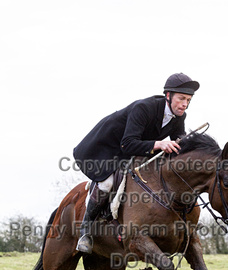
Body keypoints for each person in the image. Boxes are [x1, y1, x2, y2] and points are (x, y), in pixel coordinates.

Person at [73, 72, 200, 253]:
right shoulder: (144, 108)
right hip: (104, 148)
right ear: (168, 95)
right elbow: (128, 143)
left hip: (132, 151)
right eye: (181, 98)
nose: (184, 104)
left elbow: (179, 144)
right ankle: (85, 232)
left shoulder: (179, 116)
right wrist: (159, 144)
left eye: (188, 100)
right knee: (107, 182)